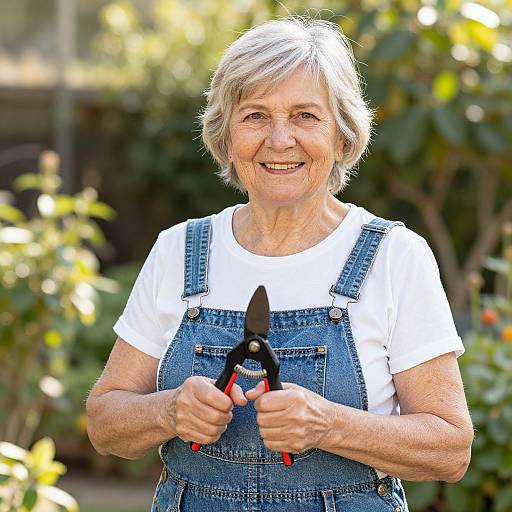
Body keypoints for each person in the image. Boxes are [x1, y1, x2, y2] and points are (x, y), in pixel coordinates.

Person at [86, 16, 474, 512]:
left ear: (342, 135)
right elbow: (103, 423)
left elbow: (449, 449)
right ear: (226, 138)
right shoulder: (178, 251)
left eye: (306, 116)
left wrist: (329, 424)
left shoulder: (395, 257)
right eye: (255, 116)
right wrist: (168, 411)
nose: (280, 139)